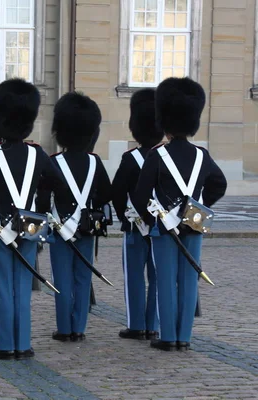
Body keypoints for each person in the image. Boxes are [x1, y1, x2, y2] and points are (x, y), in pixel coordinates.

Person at [132, 77, 227, 351]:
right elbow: (219, 184)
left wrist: (154, 220)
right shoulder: (202, 155)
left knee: (164, 280)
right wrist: (197, 209)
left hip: (164, 228)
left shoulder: (157, 155)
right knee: (188, 281)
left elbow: (140, 195)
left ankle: (168, 337)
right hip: (193, 227)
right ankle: (184, 337)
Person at [0, 78, 66, 360]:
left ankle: (5, 345)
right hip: (28, 230)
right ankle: (23, 344)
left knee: (3, 288)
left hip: (2, 232)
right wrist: (38, 206)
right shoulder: (38, 154)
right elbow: (57, 185)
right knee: (23, 289)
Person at [37, 92, 111, 342]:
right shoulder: (95, 162)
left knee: (63, 279)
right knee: (82, 278)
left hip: (60, 229)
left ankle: (64, 329)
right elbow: (105, 194)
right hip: (87, 229)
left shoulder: (53, 162)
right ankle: (79, 328)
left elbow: (42, 200)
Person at [112, 88, 163, 340]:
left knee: (134, 277)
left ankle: (136, 326)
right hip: (162, 226)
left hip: (135, 227)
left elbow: (117, 192)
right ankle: (152, 325)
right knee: (156, 277)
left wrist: (124, 216)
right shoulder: (167, 158)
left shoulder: (130, 158)